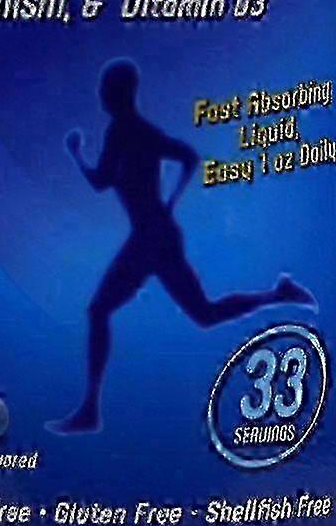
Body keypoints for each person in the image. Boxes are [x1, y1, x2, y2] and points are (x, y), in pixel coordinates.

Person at [48, 60, 313, 434]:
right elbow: (176, 160)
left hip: (150, 237)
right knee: (203, 314)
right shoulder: (133, 131)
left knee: (101, 310)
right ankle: (277, 294)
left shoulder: (128, 131)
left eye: (106, 88)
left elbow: (110, 179)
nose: (101, 95)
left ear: (119, 92)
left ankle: (90, 410)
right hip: (156, 234)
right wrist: (167, 204)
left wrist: (77, 153)